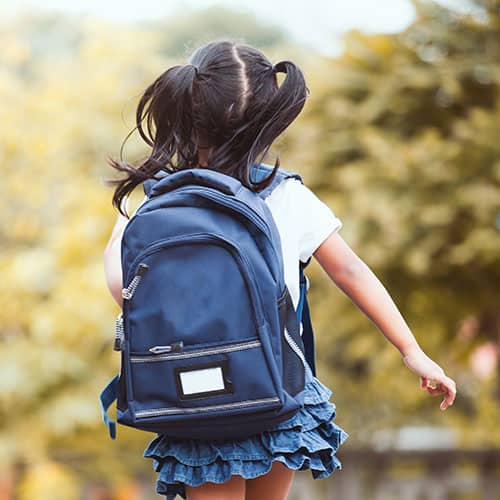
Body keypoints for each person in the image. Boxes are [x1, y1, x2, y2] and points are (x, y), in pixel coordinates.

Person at [102, 39, 457, 500]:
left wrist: (121, 229)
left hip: (191, 394)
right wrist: (411, 350)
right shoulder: (285, 196)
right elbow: (350, 271)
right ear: (266, 123)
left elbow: (122, 290)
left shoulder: (152, 200)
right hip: (275, 386)